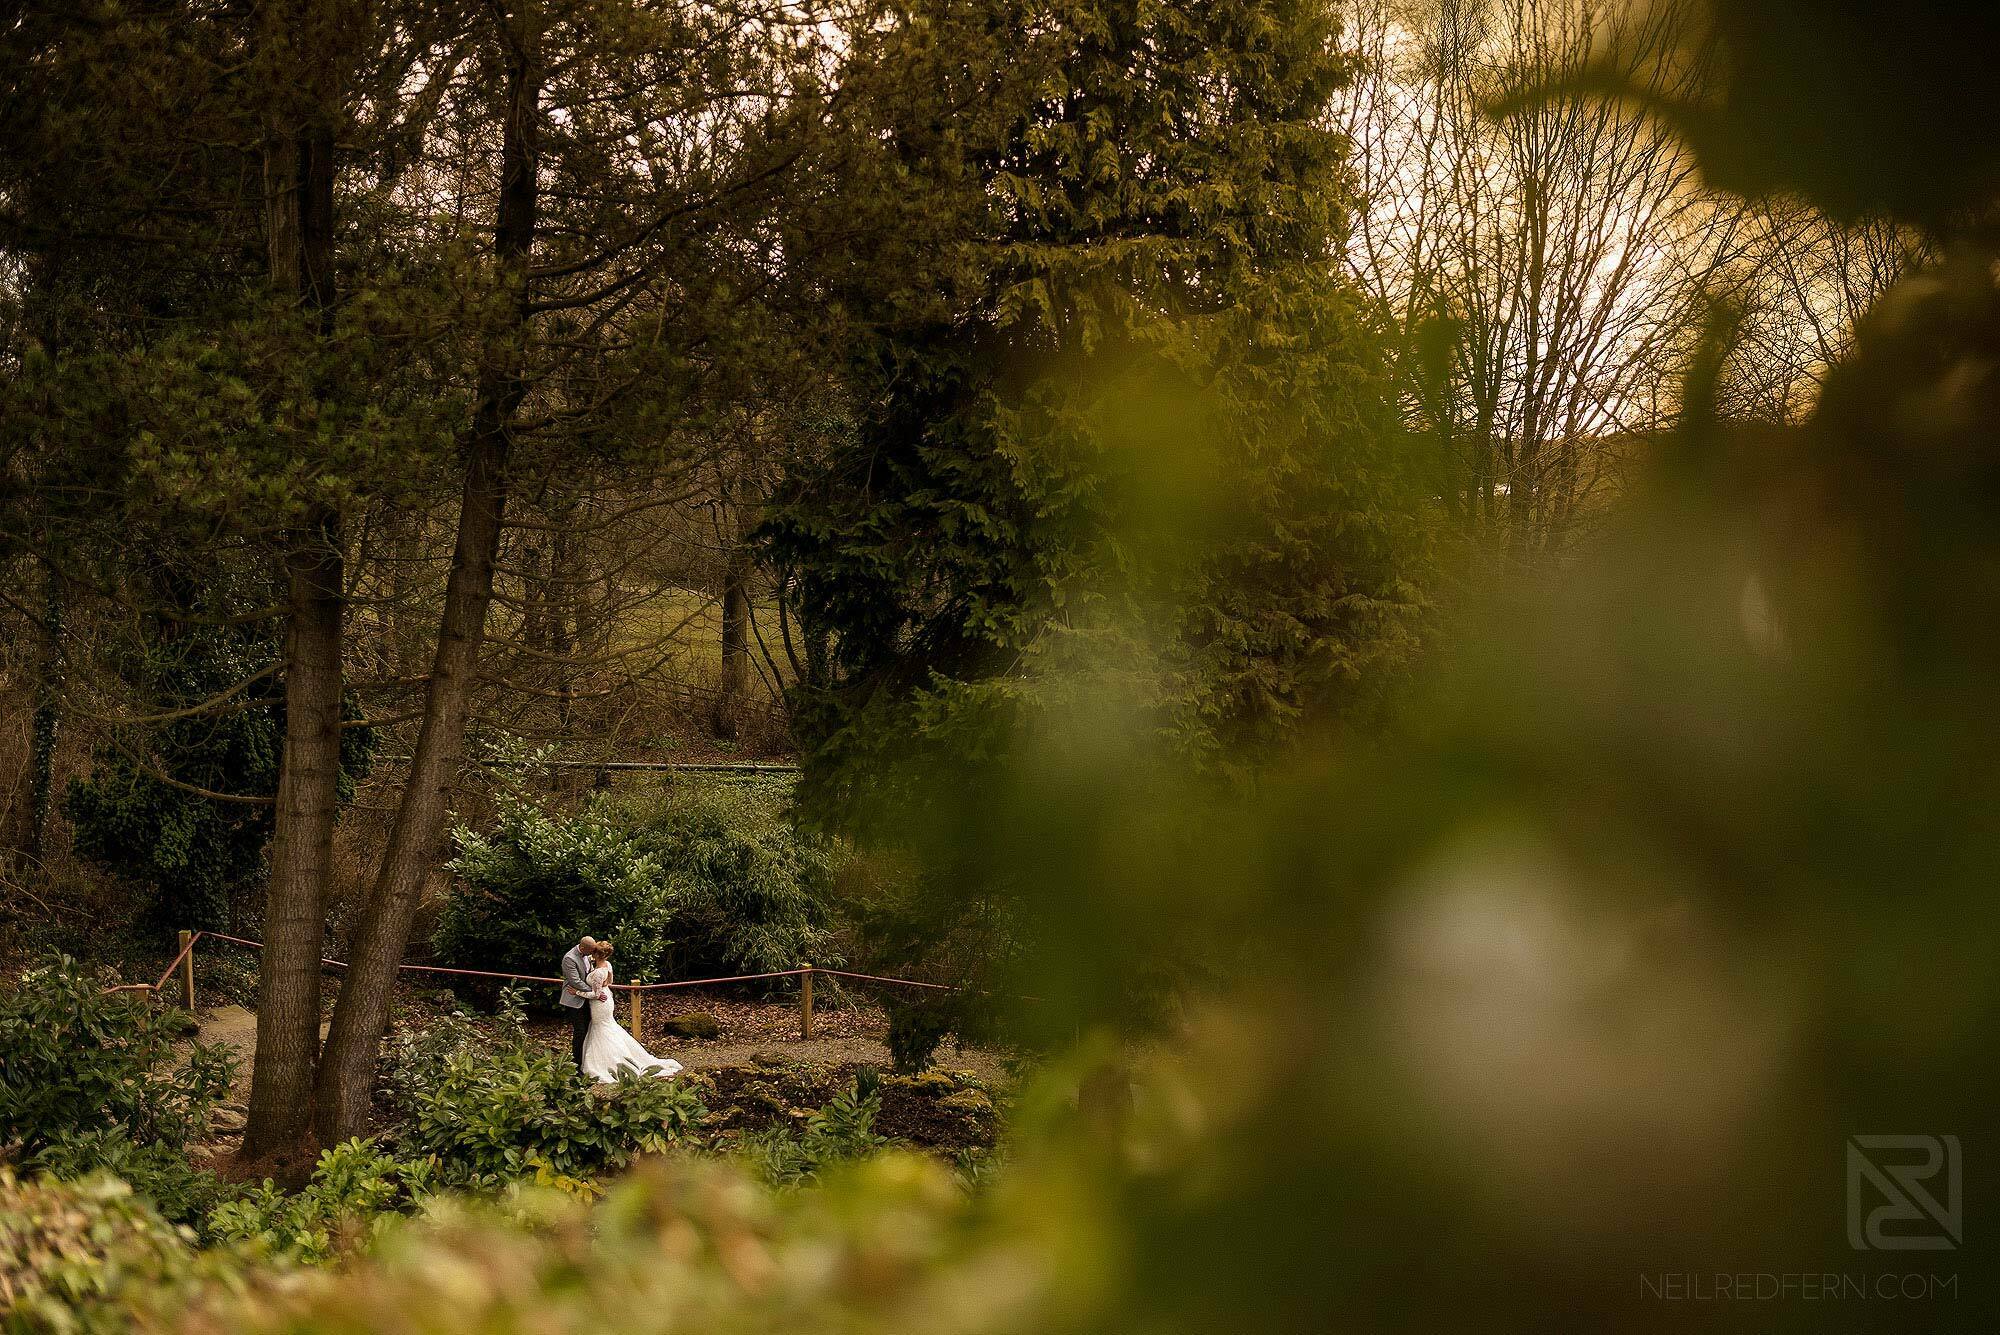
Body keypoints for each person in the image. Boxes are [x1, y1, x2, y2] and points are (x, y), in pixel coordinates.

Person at [578, 940, 683, 1083]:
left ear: (596, 954)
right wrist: (603, 987)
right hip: (606, 997)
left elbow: (595, 995)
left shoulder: (597, 973)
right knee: (609, 1027)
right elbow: (610, 982)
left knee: (602, 1029)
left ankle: (612, 1061)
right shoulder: (607, 965)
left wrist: (577, 992)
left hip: (599, 1002)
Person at [559, 934, 605, 1070]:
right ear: (583, 947)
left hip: (587, 998)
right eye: (591, 951)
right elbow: (575, 982)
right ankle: (577, 1063)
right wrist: (594, 991)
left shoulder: (587, 955)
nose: (593, 954)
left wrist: (594, 992)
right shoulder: (569, 958)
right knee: (580, 1031)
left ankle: (588, 1059)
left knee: (589, 1029)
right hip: (574, 1000)